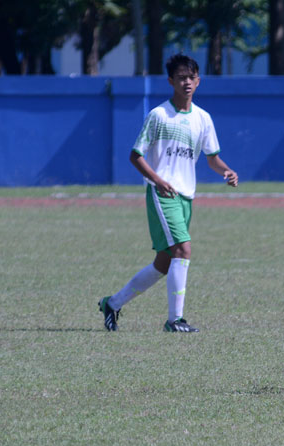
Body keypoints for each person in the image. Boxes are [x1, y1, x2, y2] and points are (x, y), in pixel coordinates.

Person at [98, 54, 238, 333]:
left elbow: (212, 158)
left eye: (191, 77)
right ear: (171, 81)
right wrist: (158, 181)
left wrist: (226, 171)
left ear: (199, 81)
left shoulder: (203, 118)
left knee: (164, 262)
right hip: (163, 195)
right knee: (183, 250)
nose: (187, 82)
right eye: (181, 77)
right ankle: (175, 321)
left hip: (186, 196)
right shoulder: (159, 115)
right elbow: (135, 156)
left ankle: (112, 303)